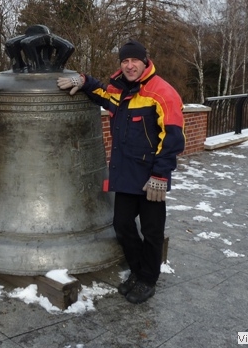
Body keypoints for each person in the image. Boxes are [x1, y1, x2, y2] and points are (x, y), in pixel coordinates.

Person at [57, 40, 185, 304]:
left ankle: (148, 279)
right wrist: (83, 80)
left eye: (134, 61)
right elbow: (102, 94)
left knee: (151, 231)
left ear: (144, 61)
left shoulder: (162, 93)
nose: (129, 66)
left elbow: (173, 138)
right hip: (125, 174)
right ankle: (138, 272)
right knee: (123, 225)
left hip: (151, 178)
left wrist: (160, 175)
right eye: (124, 61)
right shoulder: (119, 91)